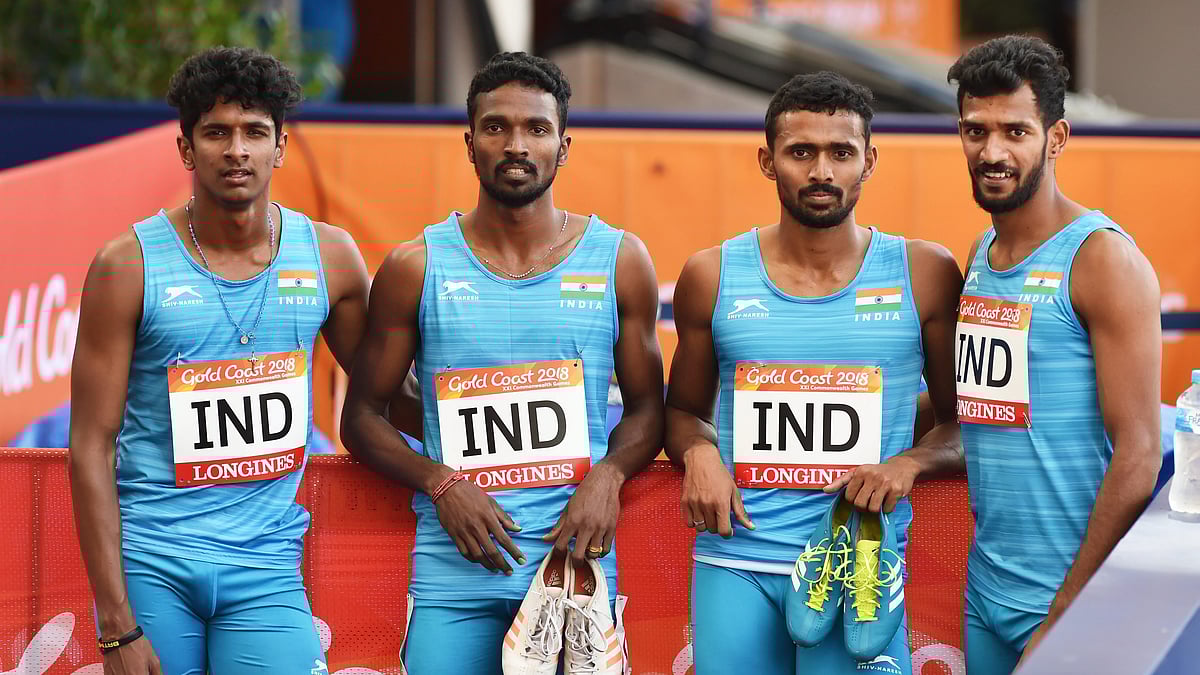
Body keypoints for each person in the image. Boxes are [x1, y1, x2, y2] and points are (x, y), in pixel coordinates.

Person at [339, 52, 664, 675]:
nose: (516, 144)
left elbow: (649, 406)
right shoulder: (416, 265)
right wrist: (442, 483)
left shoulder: (620, 259)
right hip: (452, 572)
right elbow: (360, 416)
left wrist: (610, 475)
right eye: (496, 127)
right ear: (470, 143)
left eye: (536, 129)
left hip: (574, 566)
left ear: (562, 146)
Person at [68, 47, 372, 675]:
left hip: (266, 567)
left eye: (255, 132)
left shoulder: (331, 258)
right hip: (153, 561)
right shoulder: (125, 265)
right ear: (186, 148)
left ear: (280, 146)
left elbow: (390, 395)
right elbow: (89, 447)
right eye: (216, 133)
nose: (237, 150)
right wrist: (115, 625)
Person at [664, 71, 964, 675]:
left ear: (869, 160)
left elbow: (965, 425)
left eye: (841, 152)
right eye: (801, 151)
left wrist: (909, 463)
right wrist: (698, 454)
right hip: (735, 563)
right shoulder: (711, 274)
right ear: (768, 161)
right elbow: (681, 414)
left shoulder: (925, 273)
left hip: (860, 573)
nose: (822, 171)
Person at [946, 36, 1161, 674]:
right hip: (985, 593)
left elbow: (1141, 454)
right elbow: (977, 412)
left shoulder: (1102, 259)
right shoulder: (980, 258)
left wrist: (1067, 613)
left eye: (1015, 131)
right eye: (974, 131)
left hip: (1070, 602)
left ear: (1057, 136)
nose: (992, 152)